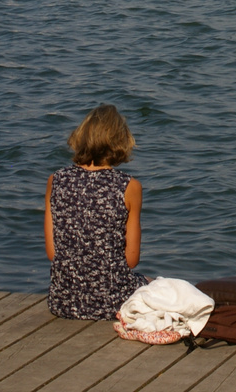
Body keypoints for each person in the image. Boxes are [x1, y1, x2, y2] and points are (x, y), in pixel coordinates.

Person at [44, 104, 149, 320]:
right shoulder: (129, 186)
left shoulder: (56, 181)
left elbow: (53, 253)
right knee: (152, 282)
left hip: (63, 301)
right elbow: (131, 260)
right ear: (121, 142)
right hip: (113, 302)